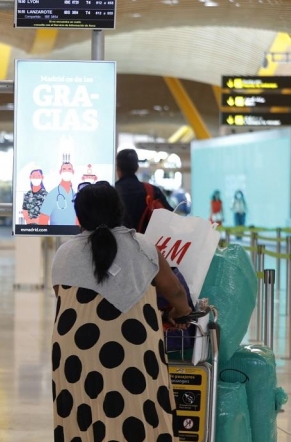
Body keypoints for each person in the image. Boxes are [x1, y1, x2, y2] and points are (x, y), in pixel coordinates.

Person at [50, 182, 192, 442]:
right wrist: (180, 312)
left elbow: (65, 298)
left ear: (79, 217)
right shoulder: (143, 247)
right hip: (135, 351)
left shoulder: (65, 254)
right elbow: (176, 294)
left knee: (83, 413)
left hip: (76, 356)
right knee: (139, 410)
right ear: (120, 211)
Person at [114, 149, 172, 233]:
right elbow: (171, 218)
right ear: (136, 167)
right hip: (147, 243)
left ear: (118, 168)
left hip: (117, 244)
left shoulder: (111, 192)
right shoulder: (152, 191)